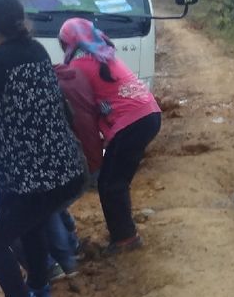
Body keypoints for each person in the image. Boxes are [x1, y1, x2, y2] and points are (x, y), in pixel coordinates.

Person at [0, 0, 87, 297]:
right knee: (31, 228)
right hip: (65, 171)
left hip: (34, 179)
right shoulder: (38, 51)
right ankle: (39, 293)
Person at [59, 18, 161, 255]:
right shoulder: (104, 55)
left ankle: (126, 238)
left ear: (69, 43)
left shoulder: (78, 67)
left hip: (132, 122)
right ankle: (124, 232)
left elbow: (85, 119)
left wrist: (92, 157)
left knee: (110, 184)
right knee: (115, 181)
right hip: (149, 114)